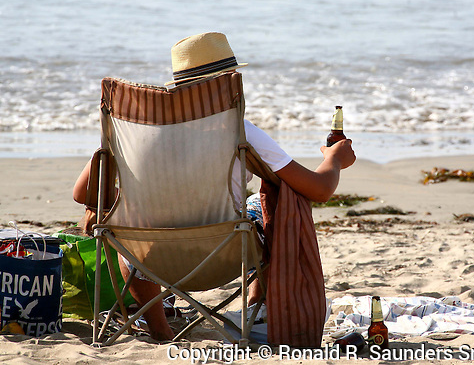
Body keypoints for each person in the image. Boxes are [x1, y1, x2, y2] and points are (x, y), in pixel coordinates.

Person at [72, 32, 356, 341]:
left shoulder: (137, 132)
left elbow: (83, 193)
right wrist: (335, 159)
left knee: (127, 220)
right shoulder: (238, 130)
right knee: (271, 202)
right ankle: (256, 310)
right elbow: (318, 189)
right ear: (227, 83)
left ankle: (159, 328)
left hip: (149, 257)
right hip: (223, 251)